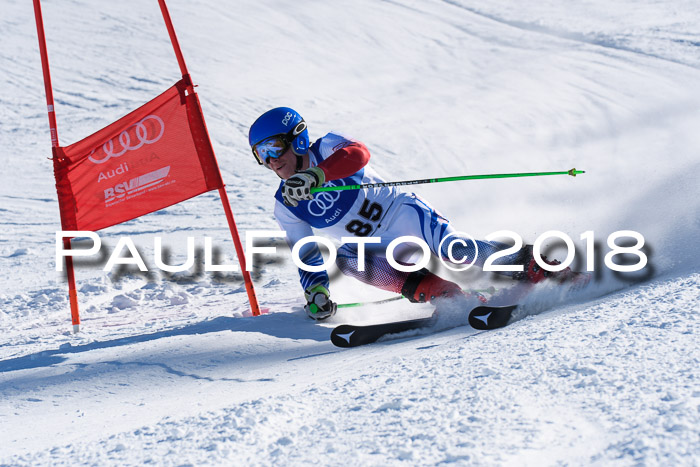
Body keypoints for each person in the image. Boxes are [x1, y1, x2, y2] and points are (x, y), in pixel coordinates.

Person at [248, 107, 576, 320]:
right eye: (261, 155)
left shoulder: (327, 147)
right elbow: (304, 250)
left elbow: (358, 154)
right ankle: (445, 295)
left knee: (453, 249)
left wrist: (319, 175)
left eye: (274, 148)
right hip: (375, 247)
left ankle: (533, 264)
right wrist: (316, 291)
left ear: (297, 140)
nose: (272, 161)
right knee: (346, 260)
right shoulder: (285, 203)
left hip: (401, 213)